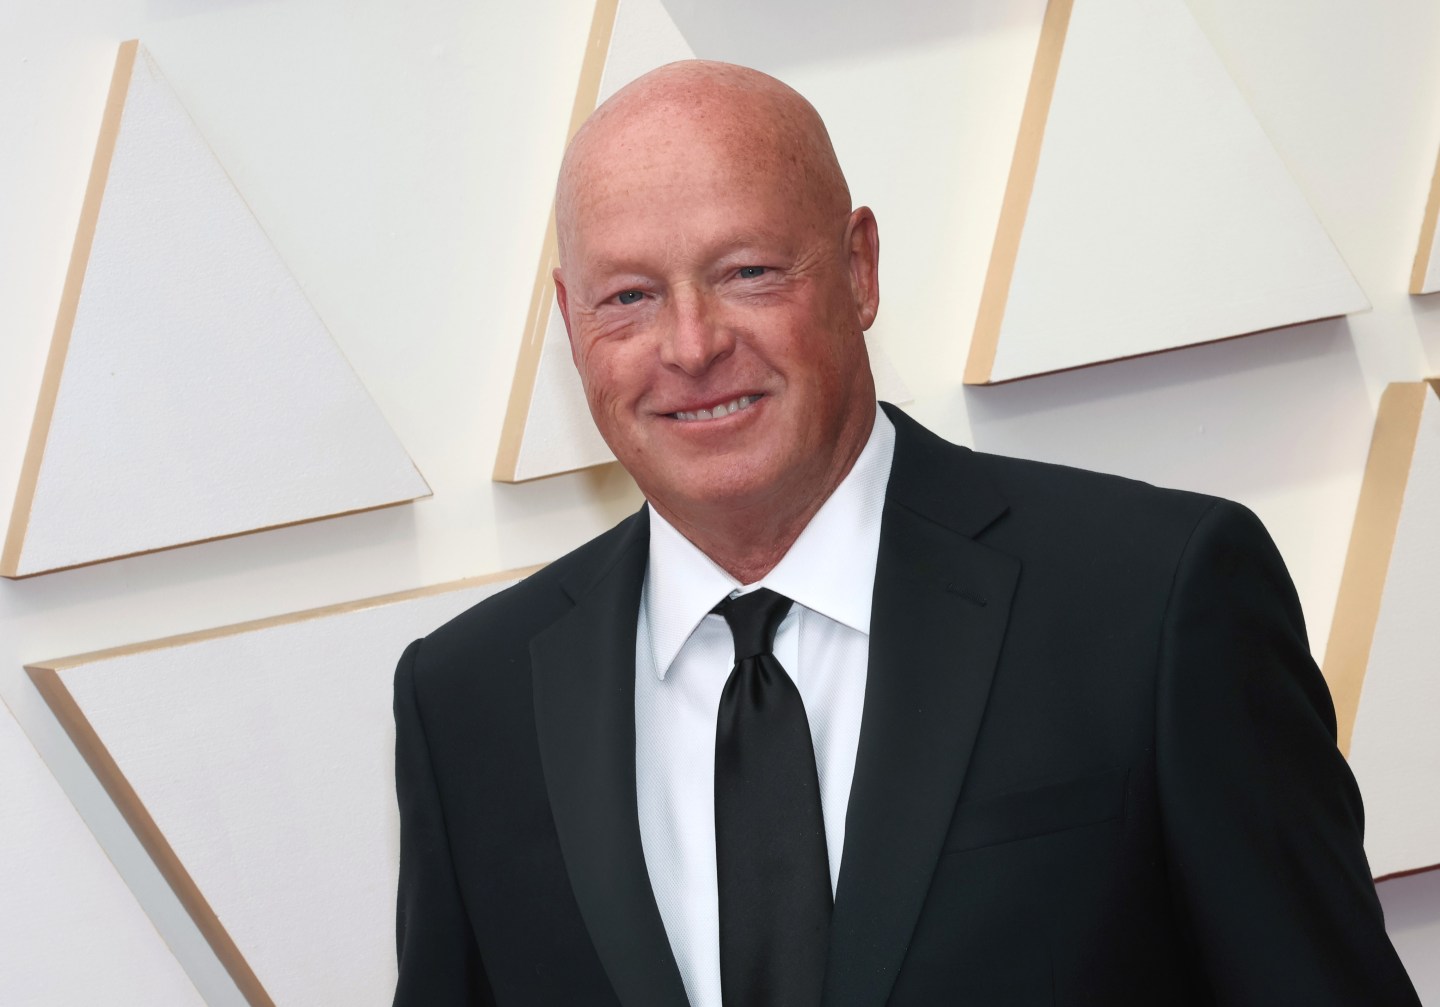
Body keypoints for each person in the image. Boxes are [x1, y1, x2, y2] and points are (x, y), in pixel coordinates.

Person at [392, 60, 1419, 1006]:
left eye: (748, 271)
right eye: (630, 296)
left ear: (859, 269)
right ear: (571, 323)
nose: (693, 345)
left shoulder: (1154, 601)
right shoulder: (469, 702)